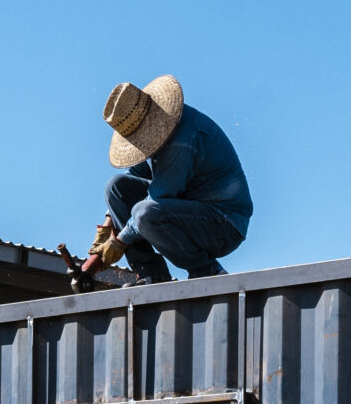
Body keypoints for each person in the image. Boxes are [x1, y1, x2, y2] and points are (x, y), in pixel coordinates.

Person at [77, 75, 252, 284]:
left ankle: (208, 272)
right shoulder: (154, 128)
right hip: (188, 208)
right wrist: (105, 232)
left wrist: (116, 244)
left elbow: (155, 202)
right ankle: (151, 273)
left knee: (144, 214)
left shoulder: (182, 142)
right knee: (116, 187)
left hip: (223, 225)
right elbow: (132, 178)